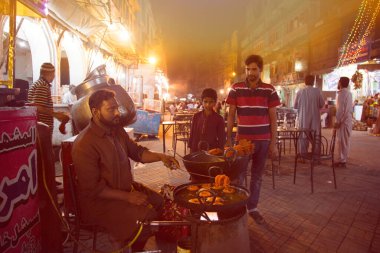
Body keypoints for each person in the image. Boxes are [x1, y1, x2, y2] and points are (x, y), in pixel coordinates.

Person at [72, 89, 180, 251]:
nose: (117, 113)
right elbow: (93, 189)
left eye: (117, 108)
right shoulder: (84, 144)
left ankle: (141, 243)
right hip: (99, 203)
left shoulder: (116, 130)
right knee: (145, 217)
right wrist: (128, 197)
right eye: (111, 109)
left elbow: (137, 152)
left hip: (124, 190)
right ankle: (133, 246)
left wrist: (161, 156)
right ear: (95, 112)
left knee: (159, 202)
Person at [226, 54, 280, 224]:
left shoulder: (269, 90)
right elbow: (231, 115)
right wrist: (228, 139)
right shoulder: (236, 89)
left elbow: (273, 118)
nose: (250, 72)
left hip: (263, 140)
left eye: (254, 69)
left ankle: (253, 207)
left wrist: (273, 143)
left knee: (257, 176)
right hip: (242, 141)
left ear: (260, 70)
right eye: (248, 69)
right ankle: (238, 207)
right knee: (238, 175)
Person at [28, 62, 70, 137]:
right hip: (42, 128)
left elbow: (39, 105)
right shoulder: (43, 85)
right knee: (44, 148)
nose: (54, 77)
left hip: (39, 127)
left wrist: (56, 113)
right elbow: (37, 107)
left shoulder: (37, 83)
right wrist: (56, 115)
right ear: (50, 74)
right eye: (54, 74)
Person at [294, 75, 325, 154]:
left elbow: (295, 106)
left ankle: (302, 154)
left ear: (305, 82)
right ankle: (316, 155)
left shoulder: (300, 92)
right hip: (315, 118)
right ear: (313, 82)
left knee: (303, 135)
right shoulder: (317, 91)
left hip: (303, 118)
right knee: (316, 135)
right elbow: (322, 104)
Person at [188, 88, 226, 153]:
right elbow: (192, 135)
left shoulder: (219, 119)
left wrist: (220, 151)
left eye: (211, 102)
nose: (208, 104)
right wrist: (191, 151)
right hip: (196, 150)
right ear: (202, 102)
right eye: (205, 102)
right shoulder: (196, 117)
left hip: (212, 151)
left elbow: (221, 138)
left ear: (215, 102)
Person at [334, 77, 353, 167]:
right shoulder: (348, 93)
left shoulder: (342, 94)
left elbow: (342, 110)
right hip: (346, 120)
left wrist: (338, 121)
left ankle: (342, 160)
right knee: (344, 141)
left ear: (340, 83)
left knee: (342, 141)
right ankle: (342, 159)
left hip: (343, 122)